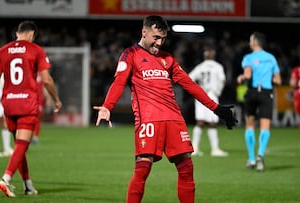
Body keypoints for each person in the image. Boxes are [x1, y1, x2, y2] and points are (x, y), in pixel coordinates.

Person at [93, 15, 237, 203]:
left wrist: (216, 108)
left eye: (163, 39)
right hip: (149, 120)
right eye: (156, 37)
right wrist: (107, 106)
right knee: (143, 169)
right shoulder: (130, 54)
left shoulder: (167, 59)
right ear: (144, 32)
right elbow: (119, 82)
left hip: (174, 119)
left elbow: (189, 84)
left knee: (187, 169)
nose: (159, 43)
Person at [0, 21, 62, 197]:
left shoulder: (2, 51)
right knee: (21, 146)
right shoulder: (36, 50)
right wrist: (56, 99)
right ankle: (5, 179)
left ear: (17, 33)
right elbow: (47, 80)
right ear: (32, 34)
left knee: (20, 147)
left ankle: (28, 186)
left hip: (9, 105)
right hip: (27, 103)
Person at [237, 32, 282, 172]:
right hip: (266, 93)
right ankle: (260, 155)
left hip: (252, 92)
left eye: (250, 40)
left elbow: (248, 75)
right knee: (265, 126)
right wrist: (268, 78)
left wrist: (241, 78)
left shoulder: (248, 58)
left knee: (250, 125)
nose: (249, 42)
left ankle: (251, 159)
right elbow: (278, 81)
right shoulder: (271, 58)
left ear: (255, 42)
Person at [188, 48, 228, 157]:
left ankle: (195, 148)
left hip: (201, 94)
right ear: (213, 56)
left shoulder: (200, 67)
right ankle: (215, 149)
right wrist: (218, 91)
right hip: (212, 95)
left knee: (200, 121)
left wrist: (196, 89)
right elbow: (223, 79)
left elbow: (189, 79)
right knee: (212, 122)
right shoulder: (217, 66)